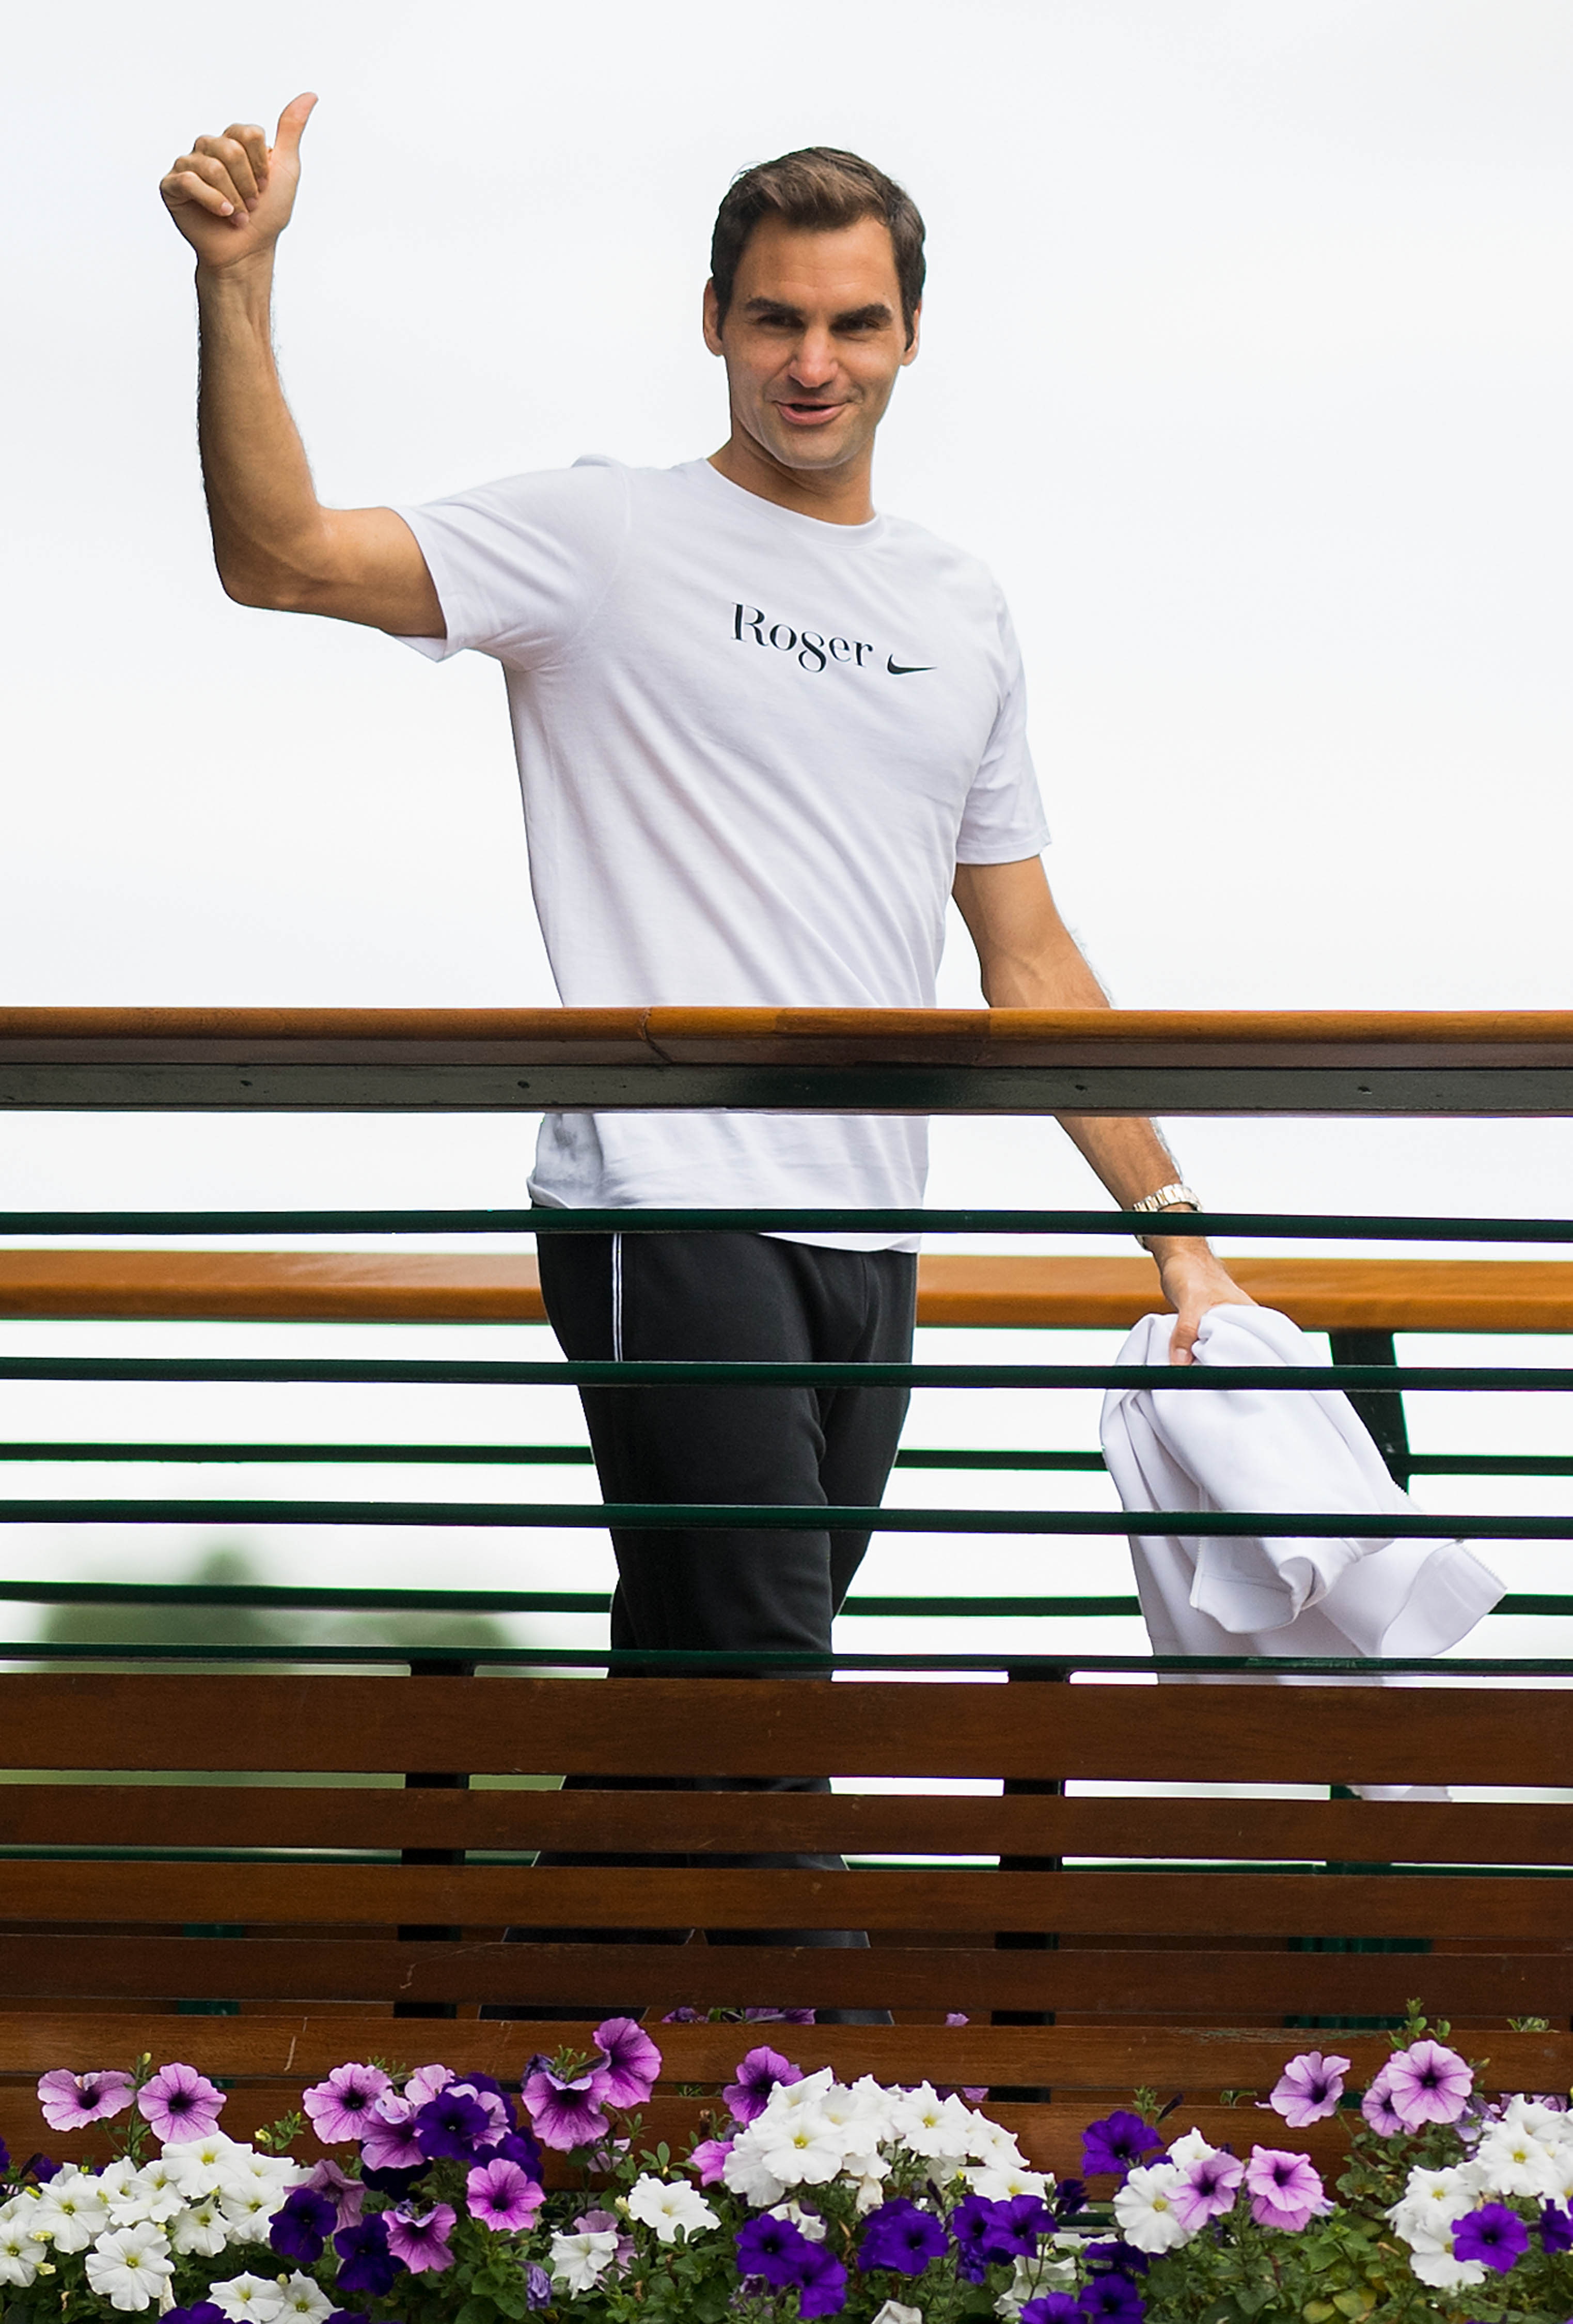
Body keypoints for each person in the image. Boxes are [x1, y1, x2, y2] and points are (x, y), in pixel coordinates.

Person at [159, 102, 1252, 2003]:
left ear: (910, 336)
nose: (810, 363)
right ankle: (825, 2118)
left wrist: (1177, 1227)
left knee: (688, 1688)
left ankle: (482, 2087)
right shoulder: (605, 535)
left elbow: (1030, 949)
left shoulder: (959, 605)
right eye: (773, 321)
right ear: (714, 324)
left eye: (851, 325)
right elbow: (279, 559)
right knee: (766, 1681)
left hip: (868, 1235)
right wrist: (237, 287)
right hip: (664, 1199)